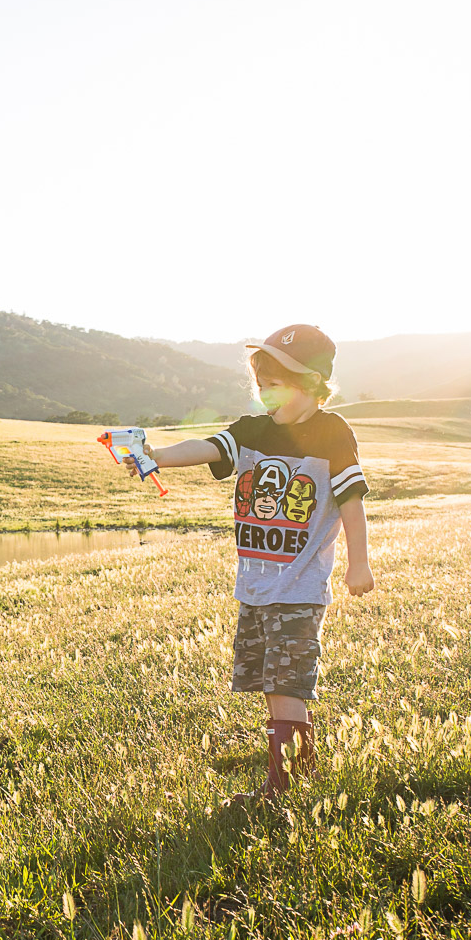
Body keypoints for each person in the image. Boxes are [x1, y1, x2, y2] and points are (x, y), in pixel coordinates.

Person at [124, 324, 373, 801]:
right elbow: (209, 448)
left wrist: (358, 562)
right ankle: (296, 778)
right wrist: (154, 455)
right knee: (272, 683)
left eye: (276, 386)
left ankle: (282, 789)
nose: (265, 397)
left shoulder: (331, 433)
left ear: (314, 384)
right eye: (260, 387)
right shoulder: (251, 430)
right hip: (255, 588)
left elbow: (352, 501)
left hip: (299, 588)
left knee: (287, 685)